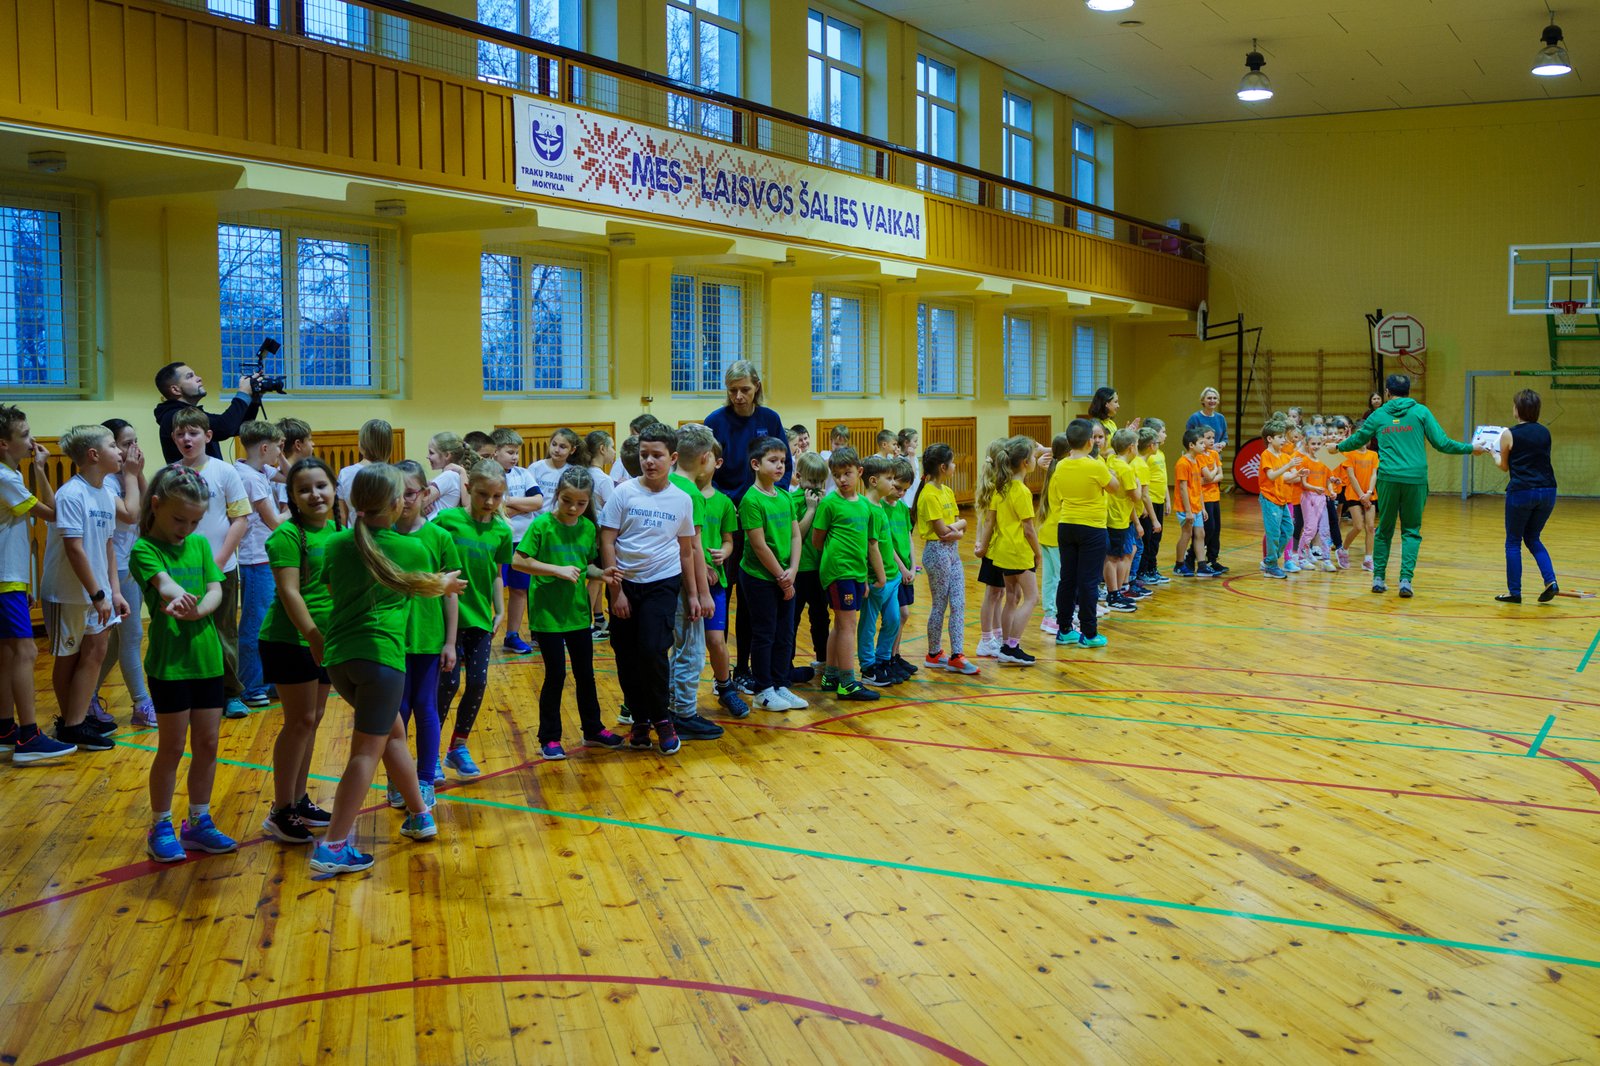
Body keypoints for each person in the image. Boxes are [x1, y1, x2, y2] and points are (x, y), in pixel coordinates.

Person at [309, 464, 465, 876]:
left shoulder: (336, 543)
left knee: (393, 734)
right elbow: (424, 588)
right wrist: (444, 585)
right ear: (396, 503)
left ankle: (419, 814)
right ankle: (334, 846)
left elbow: (334, 589)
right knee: (366, 751)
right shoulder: (411, 548)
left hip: (340, 659)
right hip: (381, 661)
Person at [129, 466, 239, 861]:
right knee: (173, 746)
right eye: (179, 519)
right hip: (170, 665)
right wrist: (178, 597)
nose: (187, 529)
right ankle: (160, 824)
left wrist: (197, 610)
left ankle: (198, 822)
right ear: (156, 505)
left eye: (194, 521)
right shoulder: (144, 549)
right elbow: (164, 583)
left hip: (207, 661)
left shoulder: (200, 546)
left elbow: (215, 590)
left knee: (207, 744)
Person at [599, 421, 704, 755]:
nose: (649, 461)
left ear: (672, 458)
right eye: (644, 454)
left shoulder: (682, 500)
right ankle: (640, 718)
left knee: (653, 651)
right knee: (627, 655)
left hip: (662, 583)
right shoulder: (623, 493)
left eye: (656, 455)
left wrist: (693, 594)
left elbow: (686, 550)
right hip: (625, 584)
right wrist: (616, 592)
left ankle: (662, 719)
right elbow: (607, 540)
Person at [514, 466, 626, 759]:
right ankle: (549, 737)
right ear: (557, 494)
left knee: (586, 674)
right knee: (556, 675)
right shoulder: (542, 525)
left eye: (581, 503)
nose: (573, 508)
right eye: (567, 501)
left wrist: (602, 573)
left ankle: (593, 729)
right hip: (548, 615)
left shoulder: (588, 528)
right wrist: (556, 570)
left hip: (577, 613)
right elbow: (519, 561)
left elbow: (585, 566)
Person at [1337, 373, 1482, 597]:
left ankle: (1378, 579)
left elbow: (1358, 439)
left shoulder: (1379, 414)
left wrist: (1337, 447)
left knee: (1384, 530)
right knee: (1411, 531)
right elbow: (1442, 444)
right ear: (1408, 392)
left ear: (1387, 393)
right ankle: (1405, 581)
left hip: (1388, 479)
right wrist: (1471, 448)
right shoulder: (1421, 412)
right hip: (1415, 479)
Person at [258, 457, 339, 844]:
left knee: (313, 719)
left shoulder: (337, 530)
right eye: (304, 489)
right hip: (290, 640)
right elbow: (290, 593)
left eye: (321, 486)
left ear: (334, 488)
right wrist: (313, 635)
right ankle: (280, 810)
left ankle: (299, 799)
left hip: (326, 638)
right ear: (291, 496)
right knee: (299, 721)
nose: (315, 494)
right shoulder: (286, 537)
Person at [703, 361, 791, 688]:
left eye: (745, 390)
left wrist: (769, 502)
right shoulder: (715, 421)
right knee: (725, 595)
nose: (738, 396)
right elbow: (706, 470)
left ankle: (748, 668)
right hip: (728, 522)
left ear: (757, 387)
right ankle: (725, 674)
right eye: (732, 391)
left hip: (760, 521)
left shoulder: (770, 419)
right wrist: (730, 505)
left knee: (753, 600)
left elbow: (784, 466)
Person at [43, 425, 127, 752]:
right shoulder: (71, 494)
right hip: (69, 594)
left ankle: (77, 720)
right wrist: (97, 593)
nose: (119, 451)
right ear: (94, 455)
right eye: (113, 446)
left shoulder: (106, 494)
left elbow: (108, 546)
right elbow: (74, 549)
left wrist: (114, 591)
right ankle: (71, 724)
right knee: (68, 658)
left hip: (99, 593)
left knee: (96, 652)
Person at [0, 405, 75, 763]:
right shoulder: (6, 477)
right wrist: (42, 470)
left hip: (8, 579)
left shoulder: (8, 475)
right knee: (26, 652)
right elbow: (54, 512)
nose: (32, 442)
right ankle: (29, 737)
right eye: (25, 435)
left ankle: (5, 730)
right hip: (4, 580)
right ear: (3, 443)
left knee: (6, 653)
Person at [433, 459, 513, 781]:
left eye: (497, 496)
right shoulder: (447, 521)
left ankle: (458, 747)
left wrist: (500, 610)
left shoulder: (502, 530)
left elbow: (496, 573)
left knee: (478, 683)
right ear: (467, 489)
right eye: (482, 495)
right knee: (448, 684)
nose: (490, 502)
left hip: (480, 618)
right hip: (447, 617)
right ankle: (430, 751)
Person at [170, 407, 252, 719]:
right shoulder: (170, 474)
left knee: (223, 631)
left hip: (222, 569)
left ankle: (230, 693)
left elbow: (240, 520)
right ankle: (192, 693)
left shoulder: (225, 472)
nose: (186, 439)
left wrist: (217, 562)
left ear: (207, 436)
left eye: (193, 433)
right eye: (180, 434)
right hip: (182, 570)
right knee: (185, 633)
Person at [392, 461, 461, 804]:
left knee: (425, 706)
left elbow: (451, 592)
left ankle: (424, 781)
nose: (404, 500)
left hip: (428, 638)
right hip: (390, 638)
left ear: (424, 494)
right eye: (397, 494)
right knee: (398, 711)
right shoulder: (380, 535)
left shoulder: (439, 537)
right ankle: (397, 780)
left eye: (410, 493)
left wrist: (450, 642)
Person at [663, 425, 729, 738]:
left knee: (677, 648)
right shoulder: (692, 494)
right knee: (691, 650)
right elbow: (692, 548)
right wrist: (701, 593)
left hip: (663, 580)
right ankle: (684, 714)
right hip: (683, 583)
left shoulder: (667, 483)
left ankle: (670, 706)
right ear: (705, 458)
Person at [94, 419, 153, 728]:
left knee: (117, 643)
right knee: (132, 636)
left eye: (136, 441)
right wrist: (131, 474)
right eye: (127, 443)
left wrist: (138, 473)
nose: (134, 449)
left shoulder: (128, 475)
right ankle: (141, 704)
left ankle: (87, 696)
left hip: (131, 563)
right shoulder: (106, 482)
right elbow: (130, 514)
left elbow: (150, 510)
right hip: (114, 566)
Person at [812, 447, 883, 701]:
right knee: (848, 626)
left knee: (841, 625)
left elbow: (866, 544)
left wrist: (864, 578)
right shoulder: (829, 503)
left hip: (855, 573)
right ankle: (847, 683)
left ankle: (831, 676)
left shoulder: (865, 506)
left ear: (859, 472)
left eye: (847, 473)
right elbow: (817, 540)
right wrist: (838, 561)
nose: (842, 479)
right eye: (837, 475)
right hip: (838, 572)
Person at [741, 437, 806, 711]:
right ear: (756, 464)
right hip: (761, 577)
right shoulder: (751, 500)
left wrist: (793, 569)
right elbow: (759, 545)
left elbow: (795, 535)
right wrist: (782, 577)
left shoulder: (785, 496)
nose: (780, 466)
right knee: (764, 633)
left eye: (783, 461)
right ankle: (763, 690)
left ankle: (780, 684)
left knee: (785, 633)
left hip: (786, 575)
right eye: (773, 461)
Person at [1051, 418, 1117, 650]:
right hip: (1092, 528)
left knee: (1067, 579)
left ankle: (1064, 629)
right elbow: (1115, 487)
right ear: (1090, 442)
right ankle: (1089, 633)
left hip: (1067, 525)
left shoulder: (1061, 465)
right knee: (1088, 581)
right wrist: (1109, 471)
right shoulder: (1095, 466)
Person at [234, 420, 286, 708]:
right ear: (264, 448)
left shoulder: (258, 469)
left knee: (268, 622)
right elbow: (276, 522)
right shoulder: (250, 478)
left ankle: (269, 680)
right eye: (278, 447)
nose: (281, 452)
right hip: (256, 559)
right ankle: (251, 686)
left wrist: (282, 456)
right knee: (255, 624)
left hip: (266, 558)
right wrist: (295, 509)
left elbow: (291, 476)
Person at [913, 444, 976, 674]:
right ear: (942, 467)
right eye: (952, 462)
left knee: (958, 603)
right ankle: (933, 653)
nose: (955, 465)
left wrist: (959, 528)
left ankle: (957, 654)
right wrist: (960, 527)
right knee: (940, 604)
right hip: (937, 552)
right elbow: (941, 531)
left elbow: (959, 525)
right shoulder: (929, 494)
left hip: (952, 551)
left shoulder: (947, 491)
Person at [1495, 389, 1559, 604]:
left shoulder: (1508, 434)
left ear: (1518, 409)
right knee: (1533, 537)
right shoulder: (1545, 432)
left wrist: (1493, 454)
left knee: (1513, 542)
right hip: (1548, 491)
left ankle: (1514, 592)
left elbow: (1504, 466)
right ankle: (1551, 581)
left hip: (1522, 491)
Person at [984, 437, 1041, 666]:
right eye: (1034, 457)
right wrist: (1037, 553)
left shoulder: (1001, 489)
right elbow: (1028, 529)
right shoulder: (1022, 491)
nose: (1035, 460)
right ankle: (1011, 646)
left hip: (1003, 552)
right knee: (1032, 598)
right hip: (1019, 552)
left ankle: (1005, 645)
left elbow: (991, 522)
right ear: (1026, 462)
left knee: (1012, 598)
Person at [489, 427, 542, 654]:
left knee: (520, 589)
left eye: (517, 452)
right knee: (492, 587)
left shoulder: (523, 474)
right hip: (497, 541)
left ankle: (512, 635)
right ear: (495, 452)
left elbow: (537, 502)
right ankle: (480, 633)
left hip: (522, 541)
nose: (515, 457)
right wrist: (522, 506)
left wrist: (508, 502)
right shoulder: (489, 474)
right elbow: (494, 509)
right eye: (510, 452)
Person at [153, 362, 262, 464]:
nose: (199, 378)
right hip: (191, 478)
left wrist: (254, 399)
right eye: (190, 376)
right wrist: (243, 393)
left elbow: (239, 427)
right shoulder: (174, 416)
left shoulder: (194, 413)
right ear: (175, 390)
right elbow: (224, 428)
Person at [856, 455, 901, 686]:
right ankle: (868, 667)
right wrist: (879, 578)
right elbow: (871, 546)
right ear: (873, 481)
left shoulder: (881, 506)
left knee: (893, 619)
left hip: (892, 577)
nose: (893, 483)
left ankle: (883, 660)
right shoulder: (867, 508)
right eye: (889, 478)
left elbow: (885, 543)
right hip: (878, 580)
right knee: (868, 625)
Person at [789, 451, 829, 677]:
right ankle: (786, 664)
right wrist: (811, 509)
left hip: (819, 571)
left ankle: (823, 659)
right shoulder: (792, 501)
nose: (817, 486)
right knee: (792, 619)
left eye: (821, 482)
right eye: (812, 481)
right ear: (799, 476)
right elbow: (797, 535)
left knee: (821, 617)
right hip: (798, 571)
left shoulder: (826, 502)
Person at [1258, 419, 1303, 580]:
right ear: (1270, 439)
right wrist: (1288, 465)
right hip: (1270, 499)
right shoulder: (1267, 455)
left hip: (1282, 499)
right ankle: (1271, 565)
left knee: (1289, 529)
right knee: (1274, 533)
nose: (1284, 440)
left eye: (1284, 436)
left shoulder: (1284, 456)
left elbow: (1286, 477)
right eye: (1280, 437)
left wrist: (1298, 474)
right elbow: (1271, 476)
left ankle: (1270, 560)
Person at [1037, 434, 1070, 637]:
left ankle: (1049, 614)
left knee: (1049, 577)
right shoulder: (1062, 472)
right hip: (1057, 532)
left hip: (1047, 531)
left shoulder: (1054, 468)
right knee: (1060, 577)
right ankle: (1057, 615)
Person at [336, 419, 392, 528]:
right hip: (386, 535)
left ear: (361, 444)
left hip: (355, 534)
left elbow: (342, 516)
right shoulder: (395, 475)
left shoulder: (345, 473)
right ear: (389, 447)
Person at [1170, 428, 1209, 579]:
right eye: (1201, 443)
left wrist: (1202, 507)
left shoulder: (1197, 460)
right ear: (1191, 445)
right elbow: (1182, 488)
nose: (1204, 445)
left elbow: (1198, 487)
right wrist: (1188, 511)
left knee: (1200, 533)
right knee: (1186, 534)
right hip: (1186, 507)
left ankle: (1202, 566)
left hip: (1196, 506)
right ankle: (1179, 565)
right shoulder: (1183, 463)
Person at [421, 432, 470, 520]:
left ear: (447, 455)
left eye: (431, 453)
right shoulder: (455, 476)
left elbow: (419, 502)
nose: (428, 456)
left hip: (433, 524)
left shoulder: (449, 476)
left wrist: (421, 508)